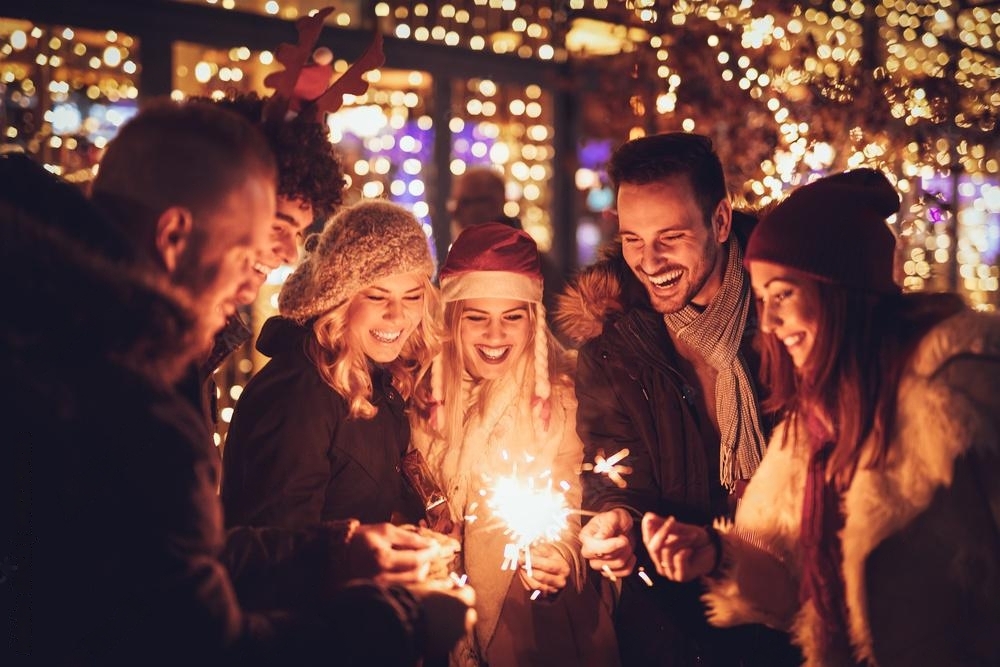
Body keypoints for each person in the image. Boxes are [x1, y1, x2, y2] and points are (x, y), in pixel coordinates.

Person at [1, 106, 472, 665]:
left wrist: (339, 551)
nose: (258, 281)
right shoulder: (114, 390)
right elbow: (194, 639)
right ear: (175, 235)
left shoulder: (99, 350)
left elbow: (170, 555)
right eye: (249, 252)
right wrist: (400, 624)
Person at [642, 169, 1000, 666]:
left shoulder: (962, 397)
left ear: (839, 291)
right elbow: (797, 584)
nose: (767, 323)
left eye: (782, 295)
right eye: (762, 300)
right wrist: (717, 554)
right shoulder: (811, 423)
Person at [555, 132, 797, 665]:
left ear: (720, 221)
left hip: (790, 617)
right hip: (671, 628)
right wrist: (612, 517)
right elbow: (610, 465)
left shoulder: (790, 318)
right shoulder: (613, 340)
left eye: (670, 236)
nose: (649, 260)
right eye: (633, 238)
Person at [411, 222, 619, 666]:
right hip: (432, 618)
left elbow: (574, 493)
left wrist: (559, 553)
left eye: (511, 317)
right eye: (478, 317)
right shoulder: (418, 396)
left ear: (532, 319)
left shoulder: (560, 397)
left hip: (525, 621)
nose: (494, 334)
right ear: (453, 318)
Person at [221, 199, 442, 528]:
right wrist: (371, 555)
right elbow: (276, 548)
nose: (398, 315)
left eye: (412, 296)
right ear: (338, 298)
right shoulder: (300, 395)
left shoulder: (378, 379)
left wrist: (416, 521)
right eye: (377, 296)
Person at [200, 91, 348, 379]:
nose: (290, 254)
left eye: (296, 232)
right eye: (277, 226)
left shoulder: (207, 332)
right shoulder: (125, 340)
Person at [449, 165, 566, 325]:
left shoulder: (526, 262)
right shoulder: (528, 257)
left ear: (494, 202)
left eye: (465, 201)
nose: (456, 211)